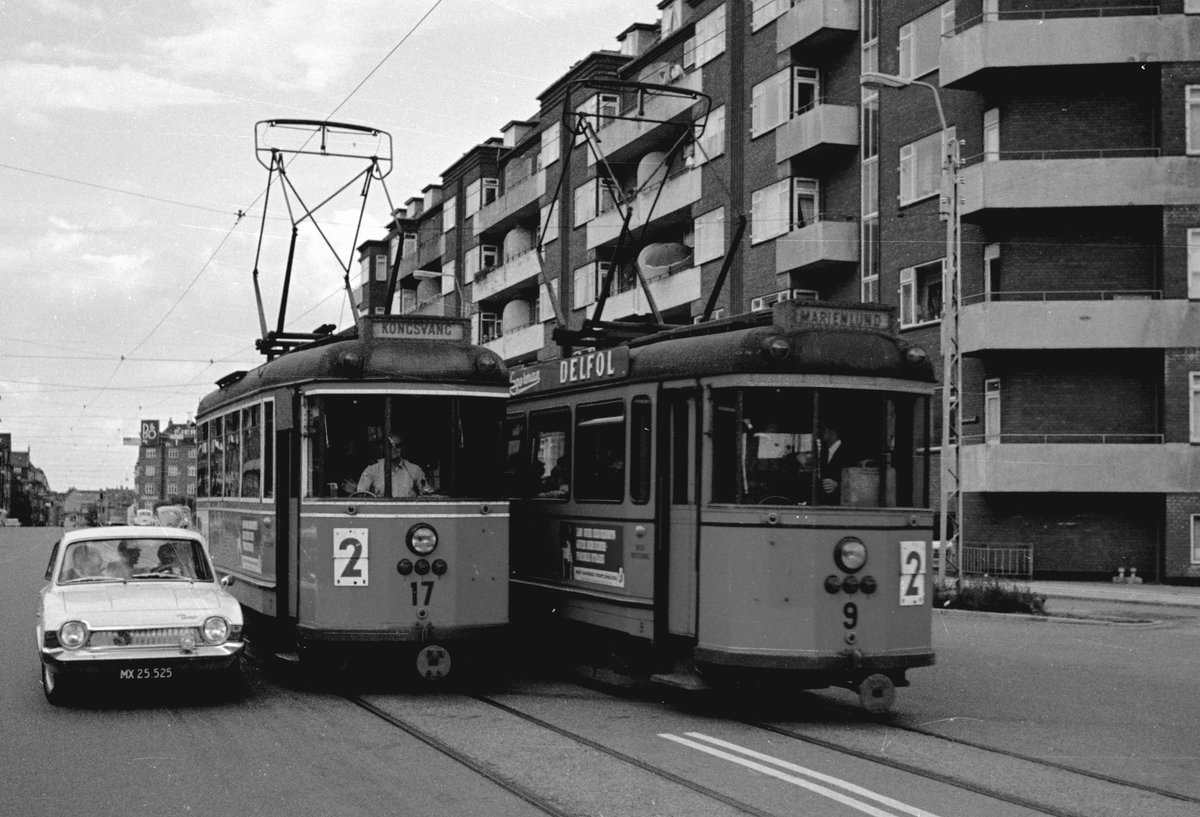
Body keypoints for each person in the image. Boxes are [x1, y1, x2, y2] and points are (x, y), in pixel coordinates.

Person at [357, 434, 429, 498]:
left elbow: (426, 493)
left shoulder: (414, 469)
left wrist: (425, 492)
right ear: (384, 448)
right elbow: (361, 494)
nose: (394, 449)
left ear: (402, 448)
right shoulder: (372, 469)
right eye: (390, 446)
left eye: (397, 446)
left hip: (407, 511)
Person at [818, 423, 854, 505]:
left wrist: (838, 484)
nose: (820, 433)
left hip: (841, 502)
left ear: (832, 432)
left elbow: (854, 476)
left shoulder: (849, 451)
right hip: (825, 501)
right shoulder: (824, 452)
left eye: (824, 430)